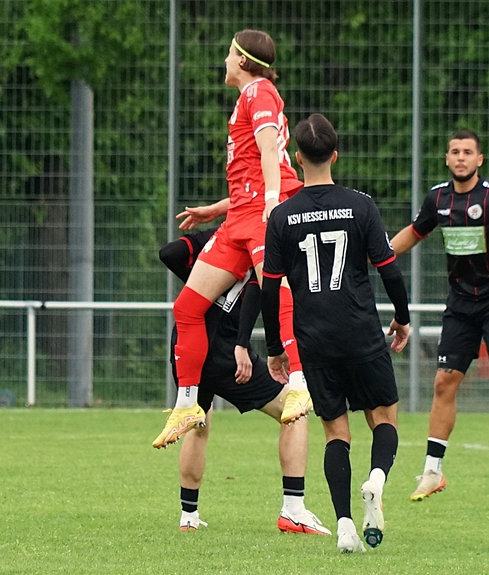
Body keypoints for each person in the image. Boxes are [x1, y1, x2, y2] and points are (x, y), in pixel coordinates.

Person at [261, 114, 411, 554]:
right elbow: (390, 270)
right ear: (335, 155)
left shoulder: (282, 216)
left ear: (297, 158)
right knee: (384, 419)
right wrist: (402, 318)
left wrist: (274, 348)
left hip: (314, 338)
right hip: (361, 330)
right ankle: (377, 479)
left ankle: (344, 525)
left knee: (336, 434)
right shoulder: (361, 206)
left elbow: (269, 289)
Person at [154, 29, 311, 449]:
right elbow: (254, 170)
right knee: (187, 307)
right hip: (240, 216)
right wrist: (216, 209)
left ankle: (299, 383)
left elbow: (268, 152)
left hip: (259, 214)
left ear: (242, 60)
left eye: (228, 54)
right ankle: (187, 404)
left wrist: (273, 202)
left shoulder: (259, 91)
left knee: (277, 292)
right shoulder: (249, 96)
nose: (223, 60)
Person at [390, 129, 489, 502]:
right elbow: (413, 233)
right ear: (447, 159)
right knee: (444, 382)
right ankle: (432, 472)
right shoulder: (437, 199)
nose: (461, 157)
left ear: (479, 159)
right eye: (455, 152)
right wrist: (377, 253)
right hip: (461, 303)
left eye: (467, 152)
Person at [158, 228, 329, 535]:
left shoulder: (217, 237)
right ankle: (293, 510)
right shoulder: (259, 242)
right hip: (225, 350)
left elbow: (169, 253)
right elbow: (257, 290)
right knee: (294, 409)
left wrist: (206, 286)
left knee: (198, 423)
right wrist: (241, 343)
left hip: (186, 346)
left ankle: (188, 517)